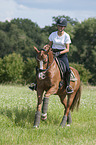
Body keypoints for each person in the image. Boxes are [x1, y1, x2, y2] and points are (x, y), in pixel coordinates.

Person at [29, 18, 73, 94]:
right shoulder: (53, 34)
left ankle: (68, 86)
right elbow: (49, 45)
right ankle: (35, 83)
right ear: (57, 26)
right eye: (59, 26)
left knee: (67, 69)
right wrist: (46, 49)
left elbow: (67, 49)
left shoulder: (66, 36)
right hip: (52, 53)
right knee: (41, 66)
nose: (60, 28)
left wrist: (59, 53)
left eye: (62, 26)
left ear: (64, 27)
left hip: (62, 55)